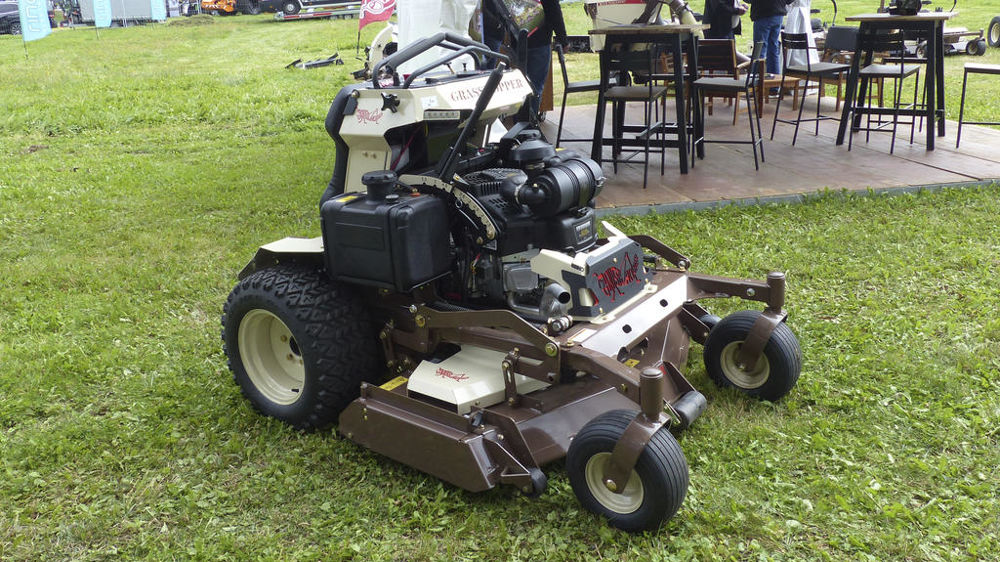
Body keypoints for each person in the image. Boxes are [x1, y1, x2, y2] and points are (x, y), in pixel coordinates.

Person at [749, 0, 794, 76]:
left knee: (760, 49)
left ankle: (756, 80)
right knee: (773, 48)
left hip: (762, 13)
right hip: (778, 13)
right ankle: (775, 82)